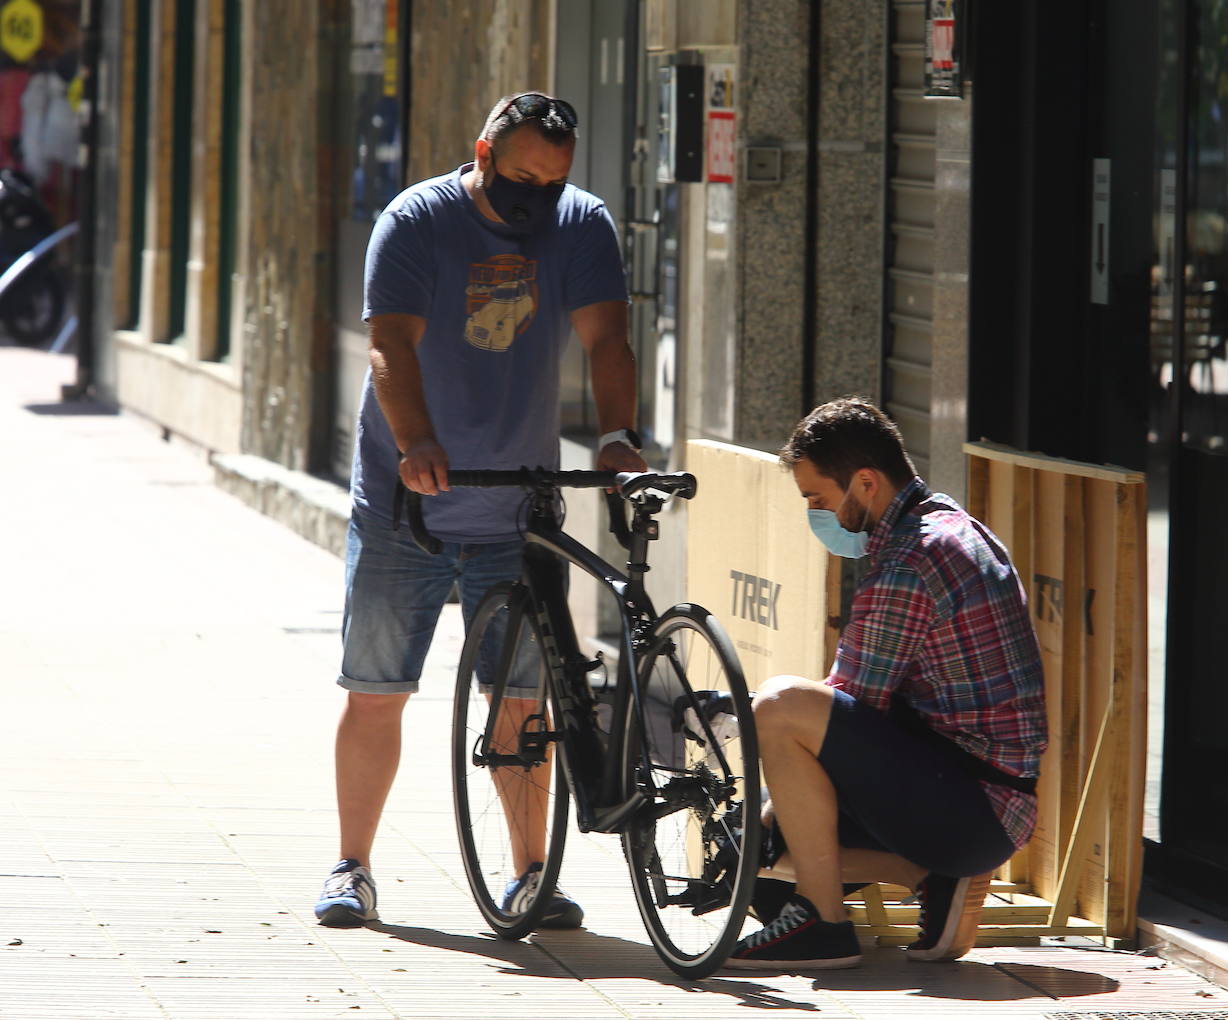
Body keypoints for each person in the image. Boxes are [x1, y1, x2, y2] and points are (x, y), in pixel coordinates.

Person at [314, 93, 646, 929]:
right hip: (408, 505)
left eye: (555, 179)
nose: (537, 196)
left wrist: (615, 434)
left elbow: (607, 338)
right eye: (524, 175)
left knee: (522, 701)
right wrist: (418, 443)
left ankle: (531, 874)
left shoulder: (580, 224)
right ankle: (352, 865)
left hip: (514, 505)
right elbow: (389, 343)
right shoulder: (416, 220)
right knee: (377, 691)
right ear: (485, 152)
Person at [724, 396, 1047, 971]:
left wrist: (772, 803)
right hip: (985, 797)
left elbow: (845, 705)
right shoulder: (950, 524)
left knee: (778, 708)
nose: (817, 514)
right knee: (757, 874)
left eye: (818, 499)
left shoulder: (909, 563)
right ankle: (925, 876)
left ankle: (825, 927)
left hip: (970, 809)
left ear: (866, 482)